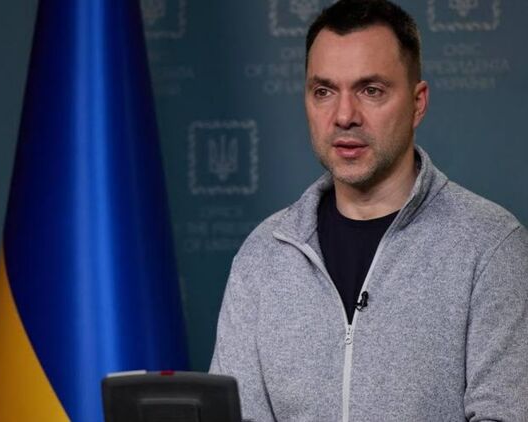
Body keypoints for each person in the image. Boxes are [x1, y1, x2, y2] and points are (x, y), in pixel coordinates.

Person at [209, 0, 528, 420]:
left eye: (370, 90)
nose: (344, 116)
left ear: (417, 103)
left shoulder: (491, 246)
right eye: (324, 91)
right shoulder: (263, 255)